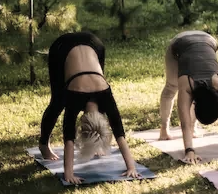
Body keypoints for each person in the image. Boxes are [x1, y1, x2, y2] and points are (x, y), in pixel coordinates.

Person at [38, 32, 141, 185]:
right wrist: (69, 174)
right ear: (81, 127)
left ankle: (96, 145)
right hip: (62, 47)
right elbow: (68, 137)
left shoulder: (105, 95)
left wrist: (132, 167)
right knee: (57, 103)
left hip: (93, 43)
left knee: (68, 97)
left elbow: (119, 132)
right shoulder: (73, 96)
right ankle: (43, 145)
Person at [158, 31, 218, 164]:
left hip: (208, 41)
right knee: (171, 87)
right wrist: (189, 151)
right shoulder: (187, 84)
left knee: (183, 92)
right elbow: (185, 123)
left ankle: (194, 128)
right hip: (180, 42)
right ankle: (164, 130)